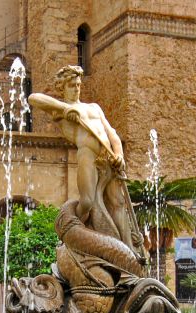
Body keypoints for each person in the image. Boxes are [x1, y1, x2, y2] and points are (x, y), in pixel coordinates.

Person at [28, 65, 145, 261]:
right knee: (88, 201)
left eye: (78, 85)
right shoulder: (59, 111)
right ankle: (74, 238)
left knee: (118, 203)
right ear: (63, 88)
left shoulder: (94, 108)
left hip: (108, 158)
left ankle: (129, 250)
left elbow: (112, 133)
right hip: (87, 154)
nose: (76, 89)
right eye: (72, 85)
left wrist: (119, 154)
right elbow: (33, 98)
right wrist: (66, 109)